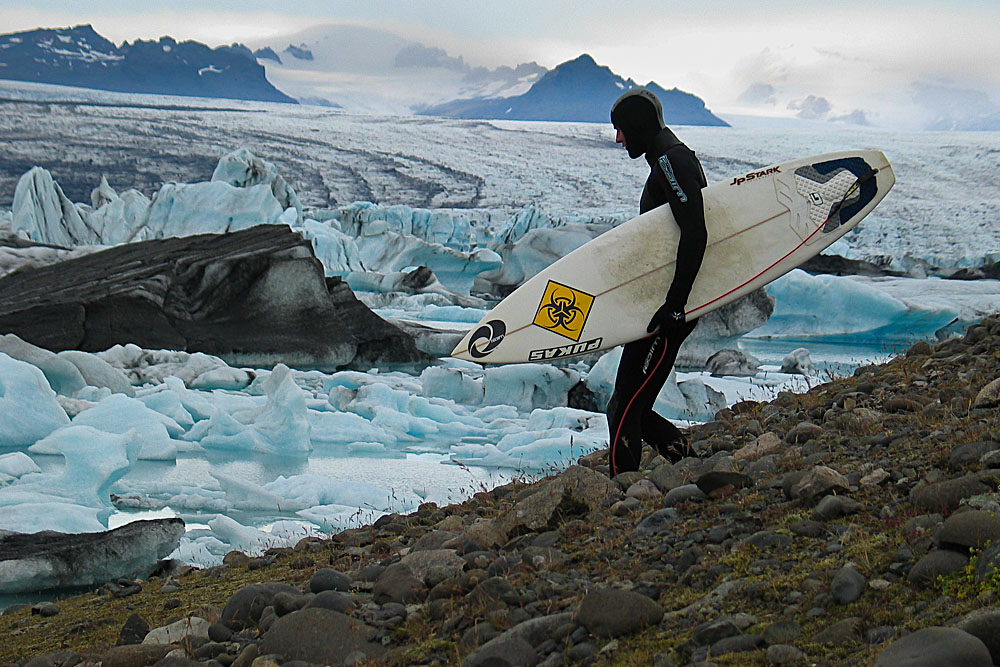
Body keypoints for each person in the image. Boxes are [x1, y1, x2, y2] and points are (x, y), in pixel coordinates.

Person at [606, 88, 708, 477]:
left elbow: (695, 232)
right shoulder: (667, 160)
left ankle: (623, 490)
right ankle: (691, 469)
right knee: (632, 404)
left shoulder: (671, 161)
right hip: (660, 305)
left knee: (625, 405)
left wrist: (676, 304)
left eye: (621, 130)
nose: (619, 139)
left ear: (637, 126)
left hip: (669, 310)